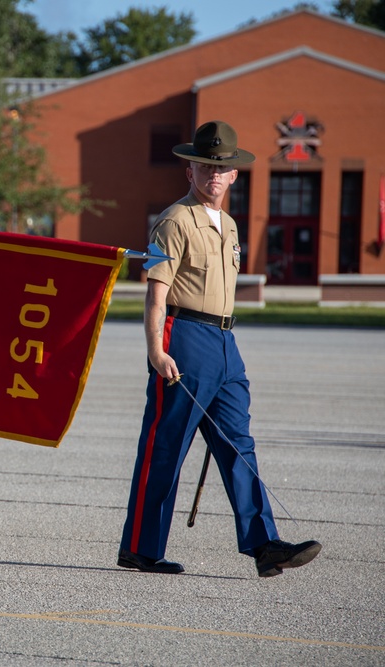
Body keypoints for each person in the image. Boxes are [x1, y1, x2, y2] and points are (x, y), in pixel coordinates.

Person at [118, 120, 321, 578]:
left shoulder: (228, 224)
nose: (213, 173)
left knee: (239, 445)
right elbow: (155, 293)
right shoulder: (173, 221)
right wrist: (155, 349)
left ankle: (264, 545)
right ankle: (140, 547)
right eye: (205, 165)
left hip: (226, 342)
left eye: (221, 167)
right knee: (165, 445)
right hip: (184, 336)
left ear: (233, 175)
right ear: (189, 170)